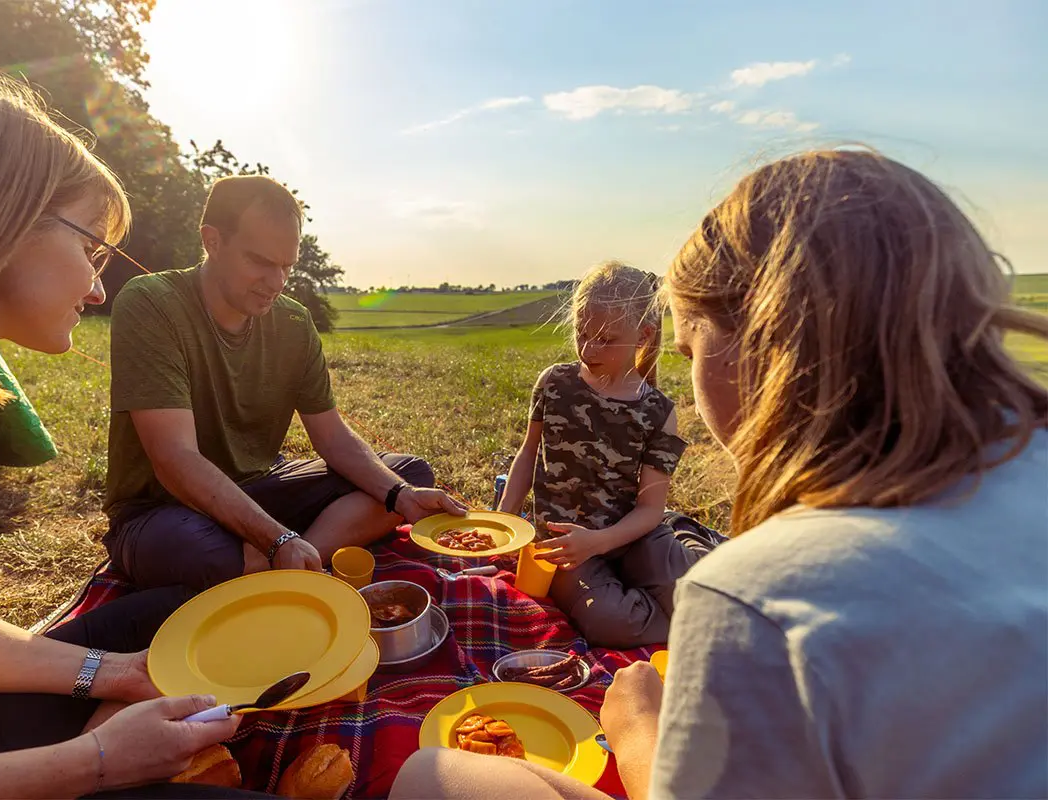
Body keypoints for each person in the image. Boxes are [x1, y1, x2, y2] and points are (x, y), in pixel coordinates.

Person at [393, 149, 1048, 799]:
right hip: (581, 543)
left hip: (635, 544)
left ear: (767, 347)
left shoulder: (752, 601)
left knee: (427, 775)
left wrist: (636, 727)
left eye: (688, 346)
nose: (592, 351)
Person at [0, 75, 272, 798]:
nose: (98, 289)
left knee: (175, 622)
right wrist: (97, 762)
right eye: (93, 250)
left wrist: (117, 673)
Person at [102, 175, 464, 592]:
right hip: (161, 509)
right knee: (202, 553)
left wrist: (400, 496)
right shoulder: (151, 302)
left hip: (260, 488)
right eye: (259, 262)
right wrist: (276, 537)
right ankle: (280, 558)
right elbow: (174, 459)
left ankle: (286, 567)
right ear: (212, 241)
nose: (276, 283)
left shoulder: (293, 322)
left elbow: (333, 438)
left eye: (286, 266)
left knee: (407, 475)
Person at [498, 261, 723, 648]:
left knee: (706, 598)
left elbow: (649, 510)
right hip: (565, 545)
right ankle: (687, 625)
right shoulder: (555, 384)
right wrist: (501, 529)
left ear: (643, 335)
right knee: (610, 623)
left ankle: (683, 542)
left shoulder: (659, 412)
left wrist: (601, 541)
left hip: (634, 532)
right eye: (582, 334)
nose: (588, 349)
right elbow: (526, 459)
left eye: (605, 339)